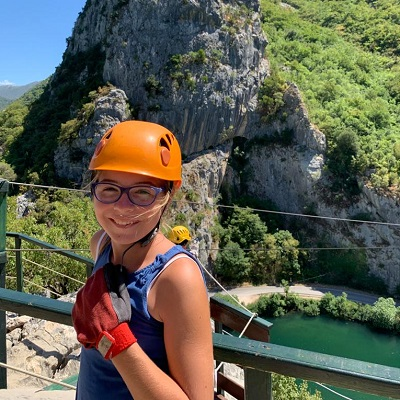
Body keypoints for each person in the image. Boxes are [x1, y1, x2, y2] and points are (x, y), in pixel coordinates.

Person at [72, 121, 214, 400]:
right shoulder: (101, 244)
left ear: (169, 194)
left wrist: (113, 339)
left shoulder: (177, 278)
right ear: (93, 188)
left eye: (143, 192)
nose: (123, 207)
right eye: (109, 189)